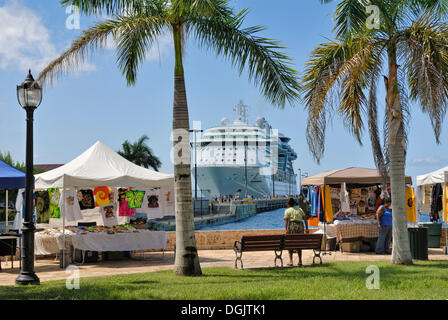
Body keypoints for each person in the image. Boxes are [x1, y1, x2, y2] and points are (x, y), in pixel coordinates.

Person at [284, 197, 309, 266]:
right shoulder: (300, 209)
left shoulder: (287, 210)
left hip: (292, 226)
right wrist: (307, 228)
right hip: (300, 226)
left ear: (288, 204)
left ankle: (291, 261)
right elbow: (305, 219)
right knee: (299, 243)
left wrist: (286, 229)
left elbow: (286, 221)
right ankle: (300, 261)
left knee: (290, 244)